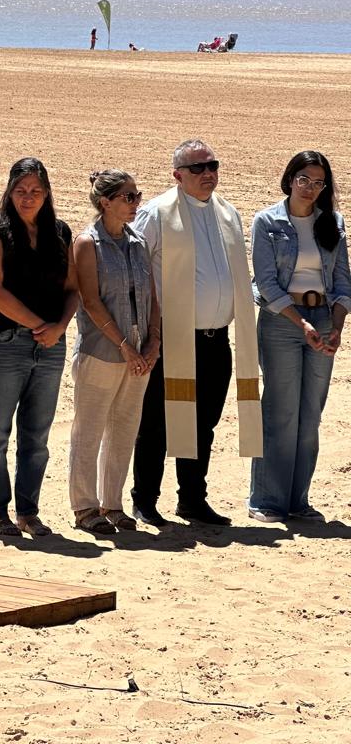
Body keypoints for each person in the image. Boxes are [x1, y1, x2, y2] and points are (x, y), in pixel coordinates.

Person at [130, 139, 261, 527]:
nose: (208, 174)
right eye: (198, 168)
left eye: (213, 166)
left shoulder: (228, 213)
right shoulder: (156, 213)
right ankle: (145, 499)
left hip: (214, 340)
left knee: (204, 421)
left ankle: (192, 499)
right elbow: (138, 271)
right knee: (157, 421)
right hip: (171, 338)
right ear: (177, 175)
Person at [0, 158, 78, 538]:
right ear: (10, 191)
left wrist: (60, 327)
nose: (28, 197)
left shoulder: (60, 232)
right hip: (8, 343)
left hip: (51, 346)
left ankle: (28, 511)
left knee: (37, 436)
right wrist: (39, 326)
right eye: (20, 191)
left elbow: (73, 289)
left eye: (35, 191)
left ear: (47, 192)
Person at [248, 151, 349, 522]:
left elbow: (342, 281)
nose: (310, 188)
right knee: (280, 410)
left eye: (318, 182)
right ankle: (268, 501)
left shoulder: (333, 223)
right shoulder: (267, 221)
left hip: (323, 319)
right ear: (290, 179)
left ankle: (298, 500)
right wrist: (299, 323)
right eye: (304, 179)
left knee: (311, 415)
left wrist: (335, 326)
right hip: (281, 321)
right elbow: (265, 282)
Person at [69, 170, 160, 534]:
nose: (136, 203)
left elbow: (152, 297)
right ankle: (84, 507)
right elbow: (90, 301)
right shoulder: (87, 243)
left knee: (124, 430)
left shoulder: (138, 241)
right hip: (102, 352)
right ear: (105, 201)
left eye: (137, 195)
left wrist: (153, 340)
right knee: (89, 431)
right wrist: (123, 346)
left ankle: (113, 503)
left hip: (139, 352)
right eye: (128, 197)